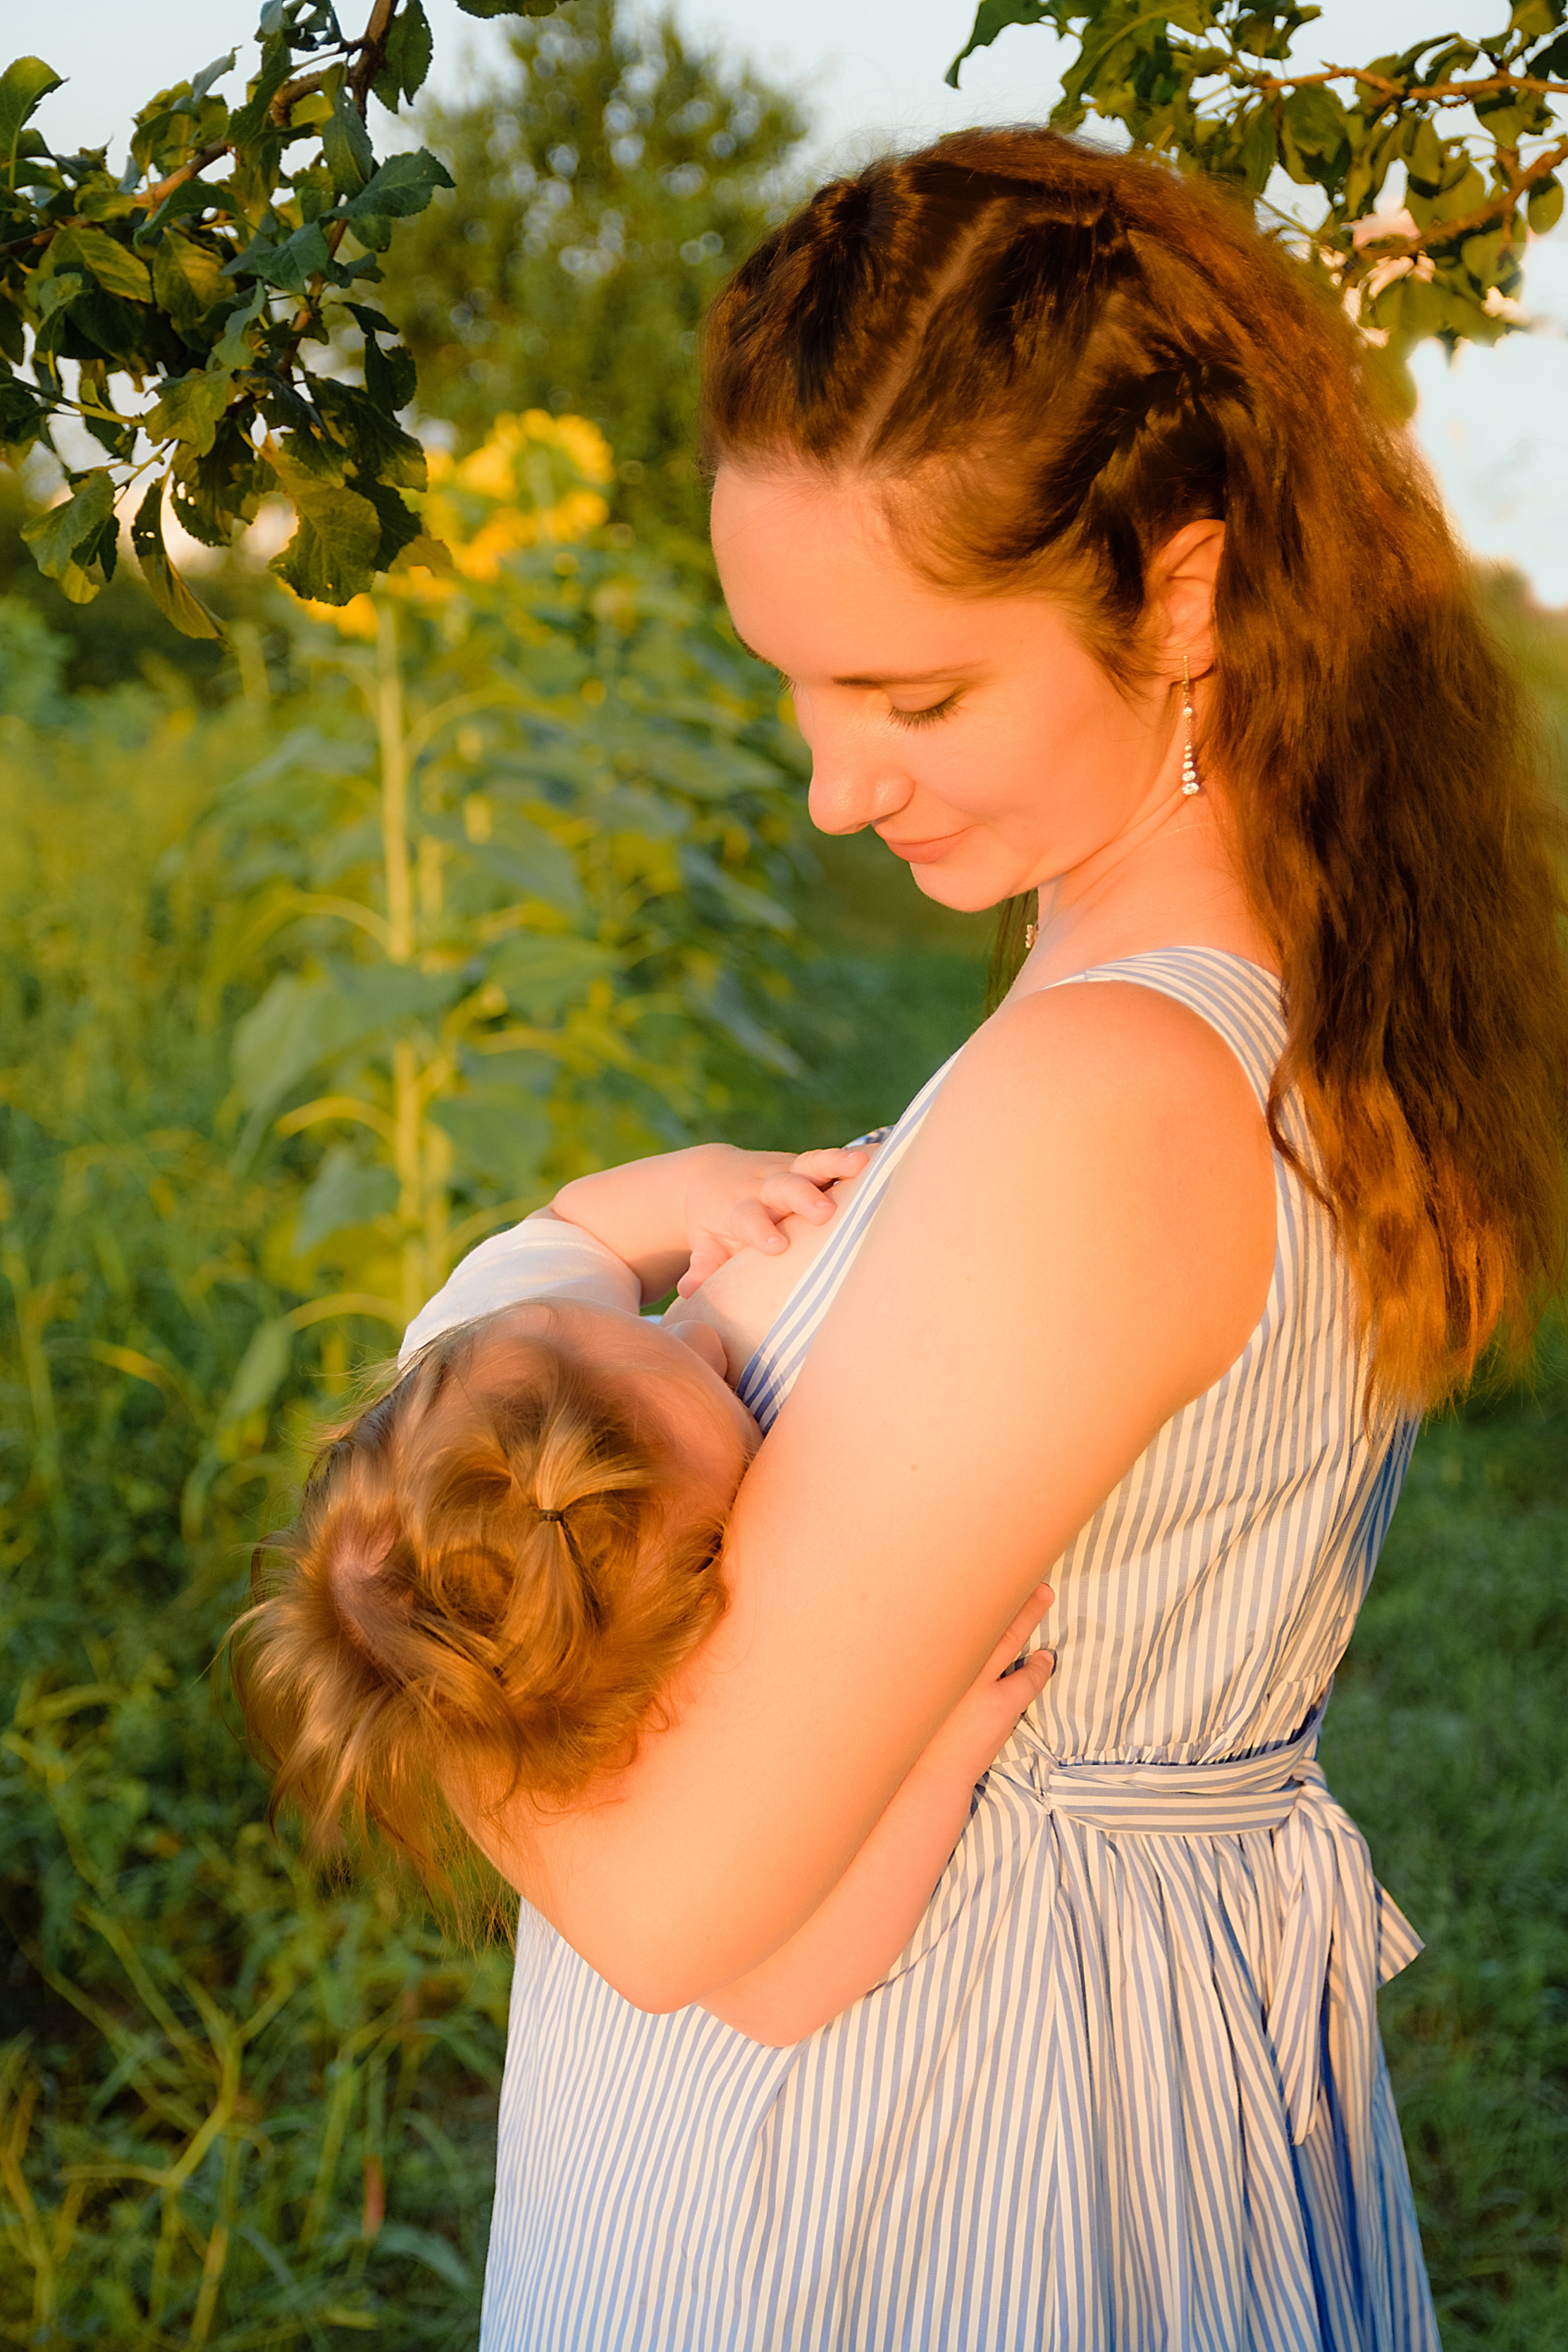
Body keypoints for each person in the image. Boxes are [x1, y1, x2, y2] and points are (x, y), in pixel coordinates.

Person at [328, 123, 1568, 2345]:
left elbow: (668, 1892)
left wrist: (377, 1536)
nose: (830, 785)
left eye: (912, 698)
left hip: (917, 2159)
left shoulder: (1107, 1095)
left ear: (1179, 593)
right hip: (1019, 2065)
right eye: (792, 681)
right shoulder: (1199, 1006)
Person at [236, 1140, 1058, 2047]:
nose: (701, 1329)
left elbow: (580, 1228)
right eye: (716, 1385)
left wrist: (698, 1188)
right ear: (678, 1614)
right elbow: (772, 2000)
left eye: (655, 1333)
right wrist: (934, 1764)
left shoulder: (492, 1336)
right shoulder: (647, 1686)